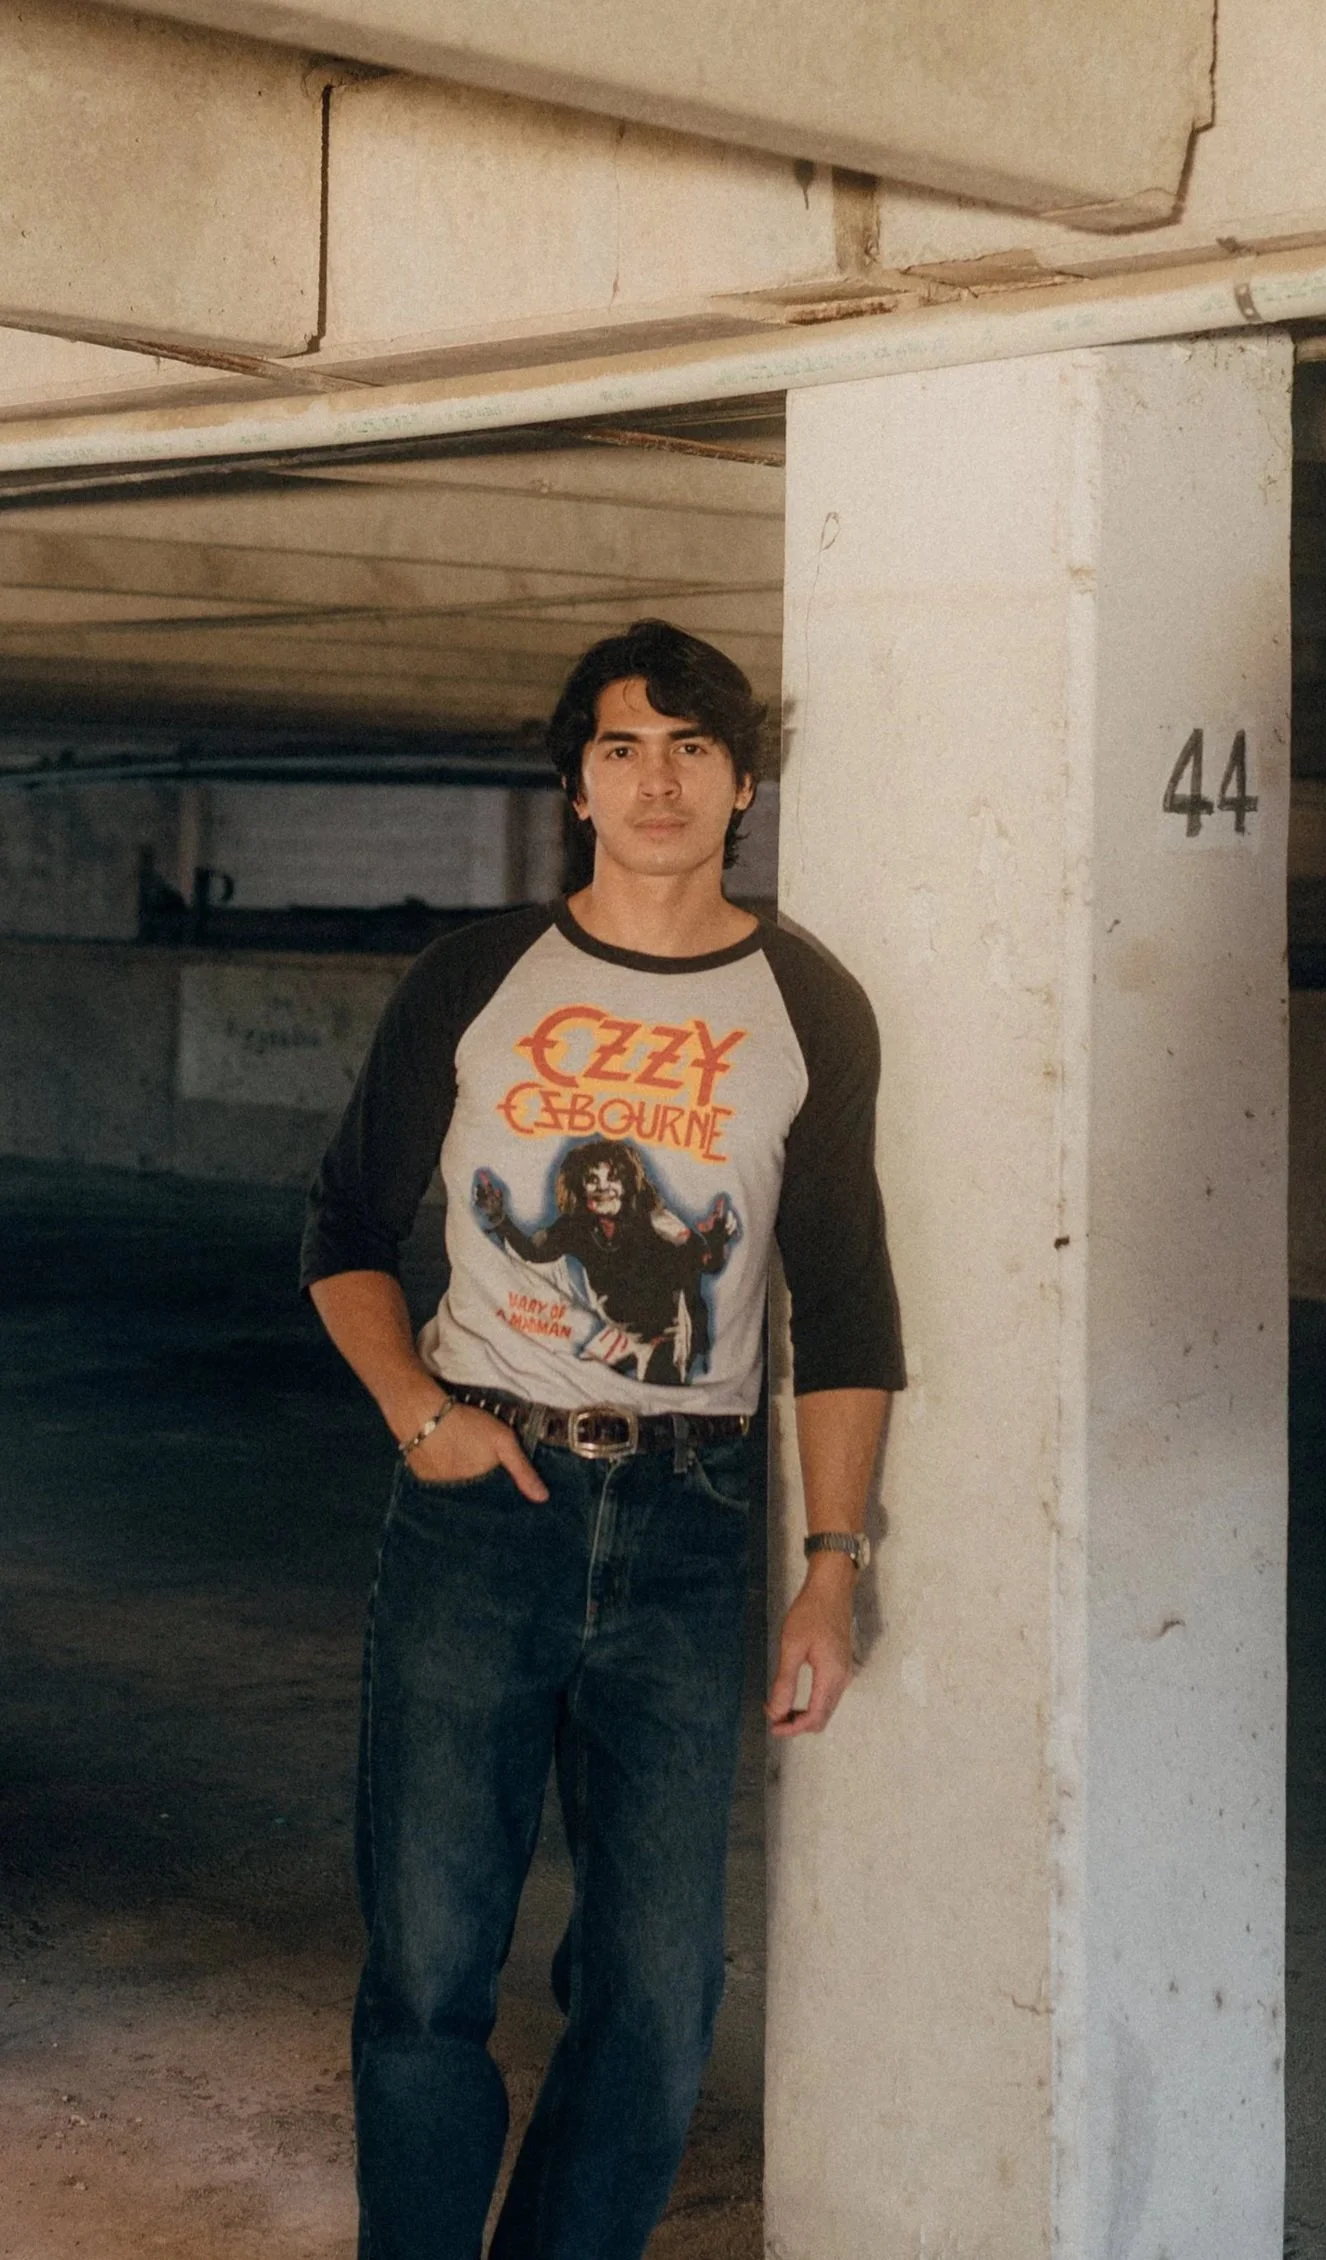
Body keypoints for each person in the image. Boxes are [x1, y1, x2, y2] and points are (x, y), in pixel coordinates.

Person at [301, 617, 904, 2260]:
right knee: (429, 1962)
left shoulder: (804, 1001)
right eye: (625, 745)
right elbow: (346, 1229)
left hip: (693, 1514)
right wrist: (420, 1416)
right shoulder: (475, 979)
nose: (658, 778)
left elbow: (841, 1303)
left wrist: (830, 1566)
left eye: (693, 747)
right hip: (483, 1494)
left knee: (656, 1986)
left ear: (741, 785)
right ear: (576, 780)